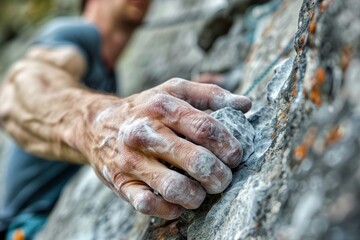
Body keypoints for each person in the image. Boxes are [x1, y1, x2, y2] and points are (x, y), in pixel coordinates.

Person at [0, 0, 251, 238]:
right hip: (29, 227)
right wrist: (96, 123)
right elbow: (16, 93)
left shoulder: (107, 75)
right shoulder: (75, 32)